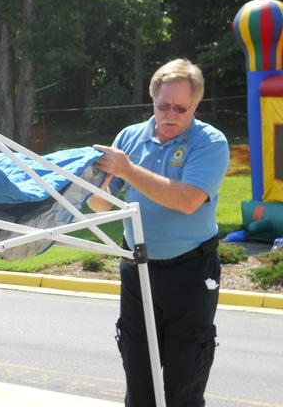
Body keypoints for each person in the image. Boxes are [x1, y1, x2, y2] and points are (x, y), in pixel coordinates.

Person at [87, 58, 229, 406]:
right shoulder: (129, 139)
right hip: (137, 270)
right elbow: (100, 205)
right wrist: (88, 184)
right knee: (139, 378)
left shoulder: (209, 142)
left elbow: (187, 200)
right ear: (152, 101)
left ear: (195, 105)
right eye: (163, 106)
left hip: (190, 272)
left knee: (184, 382)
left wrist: (129, 170)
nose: (170, 115)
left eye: (181, 108)